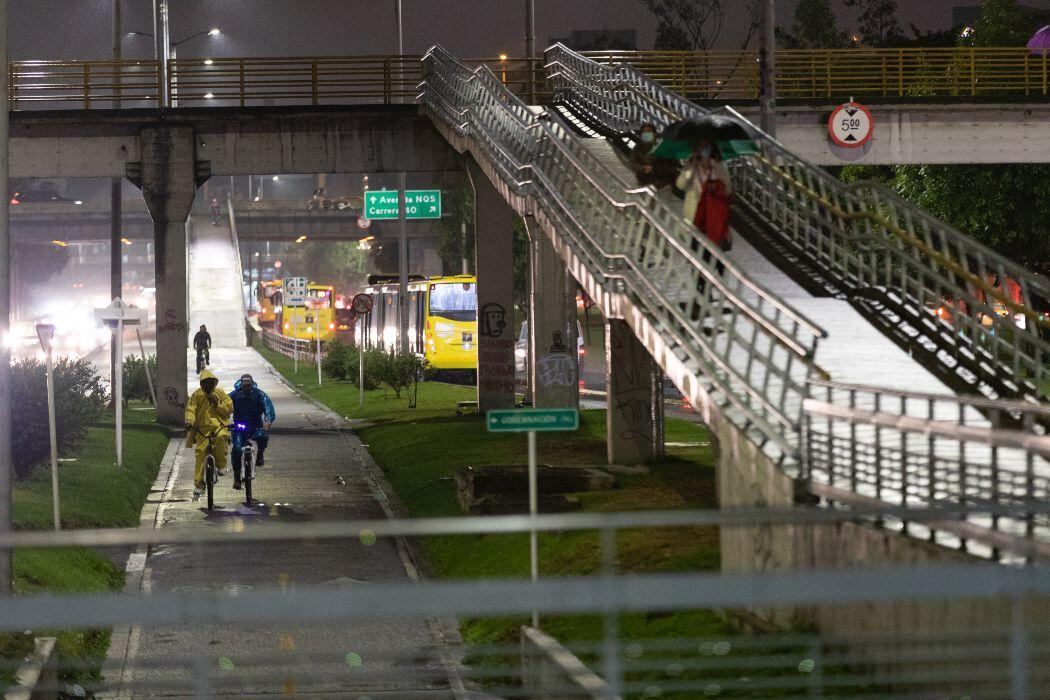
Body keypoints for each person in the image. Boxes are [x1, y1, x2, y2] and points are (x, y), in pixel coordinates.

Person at [185, 370, 234, 497]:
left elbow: (228, 410)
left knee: (222, 437)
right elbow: (191, 409)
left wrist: (217, 404)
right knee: (200, 453)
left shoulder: (220, 394)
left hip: (219, 426)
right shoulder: (197, 395)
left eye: (209, 383)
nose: (207, 385)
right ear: (202, 384)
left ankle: (221, 466)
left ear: (214, 383)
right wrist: (189, 421)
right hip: (202, 429)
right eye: (205, 383)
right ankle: (199, 484)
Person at [228, 373, 275, 489]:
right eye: (244, 385)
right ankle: (237, 477)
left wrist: (268, 421)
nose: (246, 388)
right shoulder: (234, 395)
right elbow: (223, 406)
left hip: (255, 426)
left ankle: (260, 454)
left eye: (248, 385)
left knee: (263, 436)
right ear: (241, 385)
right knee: (237, 449)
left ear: (252, 385)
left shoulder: (259, 394)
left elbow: (267, 407)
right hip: (239, 427)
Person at [629, 123, 679, 190]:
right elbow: (633, 163)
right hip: (645, 182)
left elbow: (673, 164)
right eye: (644, 132)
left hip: (663, 184)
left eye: (649, 132)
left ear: (654, 133)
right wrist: (643, 168)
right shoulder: (638, 148)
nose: (647, 134)